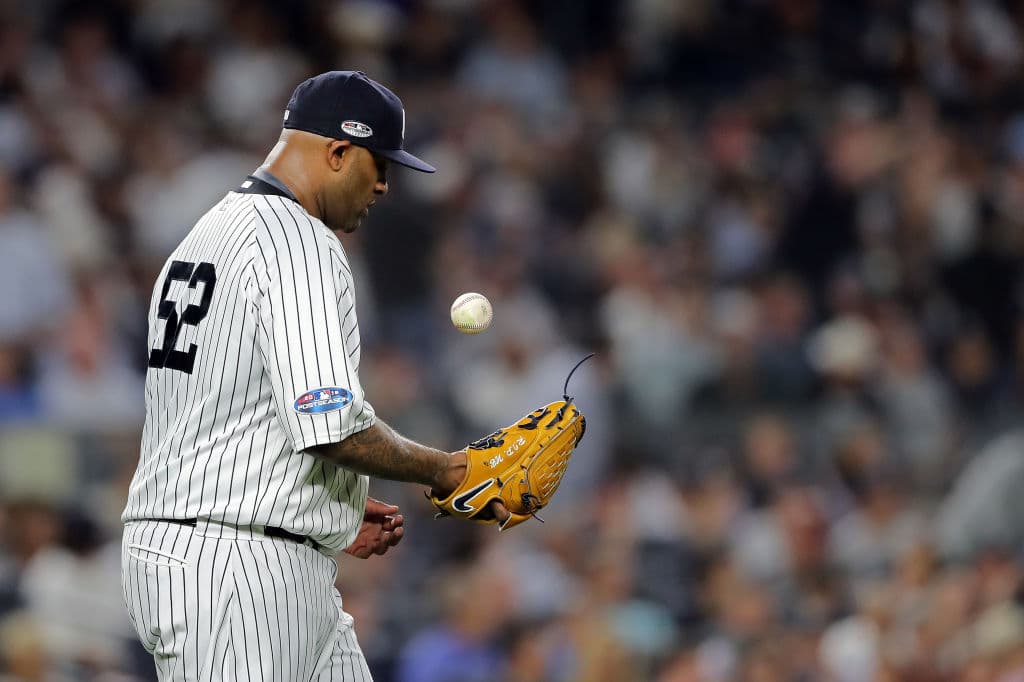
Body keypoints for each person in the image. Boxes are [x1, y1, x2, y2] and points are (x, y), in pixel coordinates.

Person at [120, 70, 506, 681]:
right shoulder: (299, 242)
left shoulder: (211, 230)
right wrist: (448, 469)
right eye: (378, 164)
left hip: (233, 549)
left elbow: (236, 412)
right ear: (336, 150)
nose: (383, 184)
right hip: (235, 569)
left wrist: (324, 506)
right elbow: (330, 425)